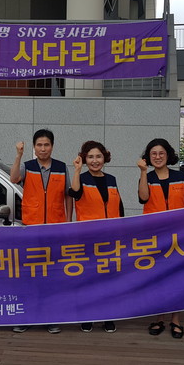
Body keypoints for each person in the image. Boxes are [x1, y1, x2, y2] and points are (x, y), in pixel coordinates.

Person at [10, 128, 72, 334]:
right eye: (39, 145)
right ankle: (27, 316)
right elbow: (13, 178)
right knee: (30, 275)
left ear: (52, 146)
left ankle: (50, 317)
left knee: (51, 276)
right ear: (34, 147)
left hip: (54, 230)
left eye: (46, 145)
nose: (43, 148)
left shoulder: (61, 168)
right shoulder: (28, 166)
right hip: (32, 229)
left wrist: (68, 221)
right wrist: (18, 155)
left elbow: (67, 195)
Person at [138, 138, 184, 340]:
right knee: (158, 279)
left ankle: (176, 319)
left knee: (177, 278)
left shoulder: (180, 177)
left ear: (168, 155)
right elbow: (143, 198)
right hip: (155, 237)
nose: (157, 157)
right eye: (153, 153)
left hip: (178, 237)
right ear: (148, 157)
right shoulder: (147, 177)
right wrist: (143, 172)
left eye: (161, 153)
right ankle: (159, 318)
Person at [68, 140, 124, 334]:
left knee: (109, 279)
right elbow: (74, 192)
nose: (95, 160)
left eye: (98, 156)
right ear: (84, 159)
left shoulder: (112, 180)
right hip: (88, 239)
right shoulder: (81, 178)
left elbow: (119, 208)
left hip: (111, 238)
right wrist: (77, 170)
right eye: (90, 157)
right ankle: (88, 316)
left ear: (104, 157)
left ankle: (108, 316)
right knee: (89, 279)